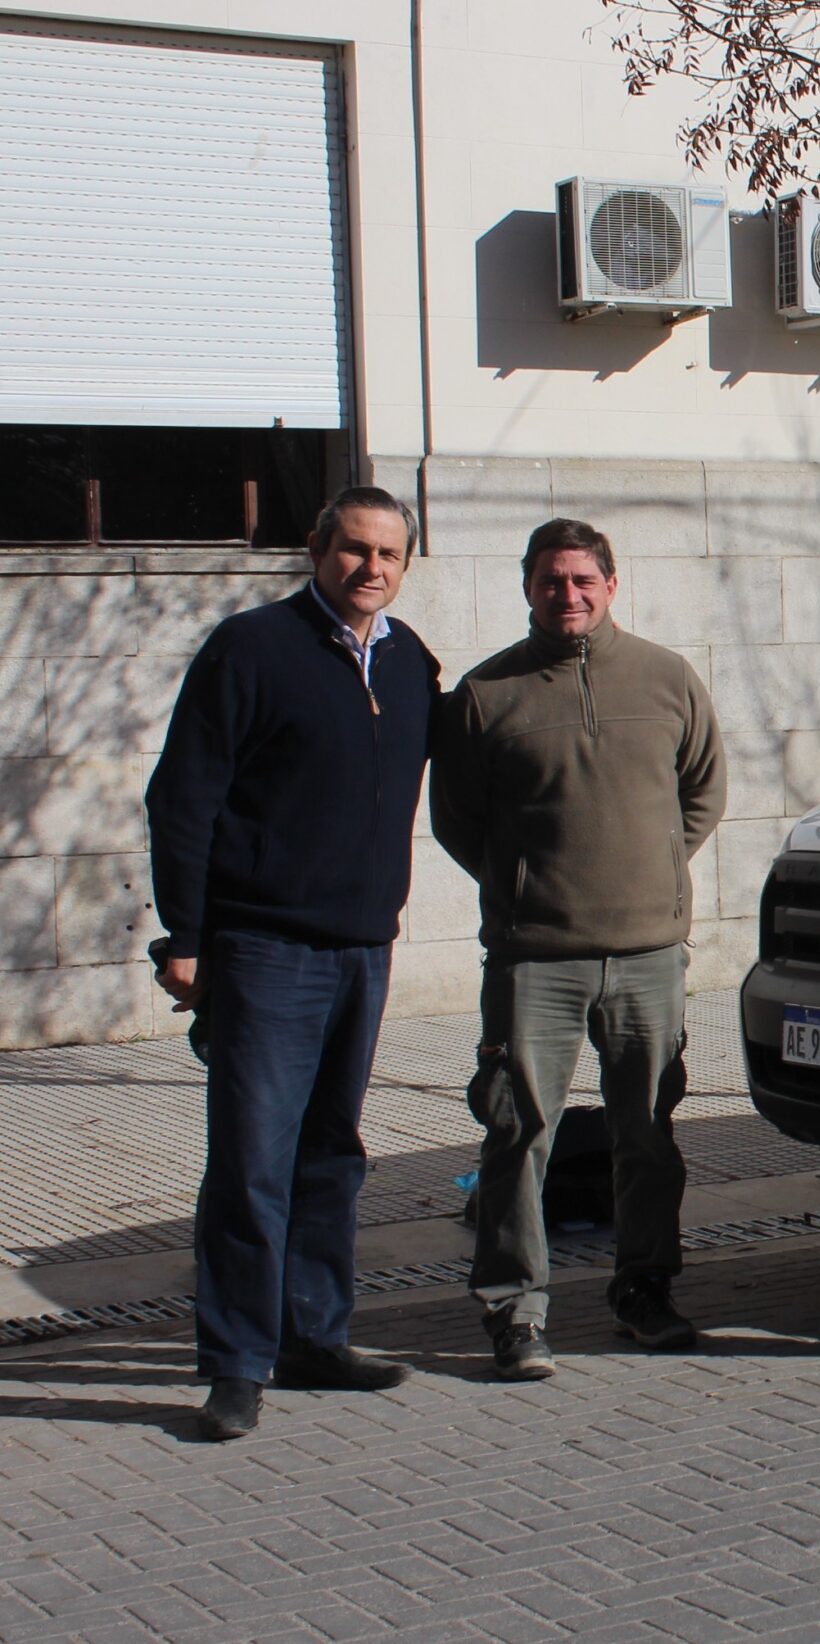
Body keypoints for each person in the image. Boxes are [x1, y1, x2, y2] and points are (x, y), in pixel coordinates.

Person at [145, 486, 441, 1441]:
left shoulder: (410, 662)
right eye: (354, 548)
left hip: (362, 947)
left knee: (330, 1155)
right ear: (318, 550)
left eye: (388, 554)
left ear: (405, 565)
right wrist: (186, 937)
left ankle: (315, 1337)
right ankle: (237, 1364)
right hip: (264, 949)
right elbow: (182, 798)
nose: (371, 568)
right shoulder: (252, 648)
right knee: (251, 1163)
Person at [431, 518, 726, 1380]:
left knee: (648, 1137)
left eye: (583, 579)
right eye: (551, 580)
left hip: (649, 956)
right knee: (518, 1136)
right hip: (535, 960)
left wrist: (655, 875)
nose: (568, 594)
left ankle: (644, 1290)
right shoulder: (487, 695)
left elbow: (703, 793)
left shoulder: (668, 679)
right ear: (528, 587)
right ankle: (516, 1313)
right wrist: (530, 888)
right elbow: (458, 822)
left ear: (611, 585)